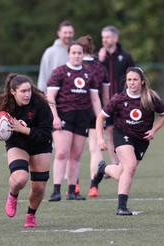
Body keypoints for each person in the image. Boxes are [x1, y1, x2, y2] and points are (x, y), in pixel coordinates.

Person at [93, 67, 164, 215]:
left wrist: (153, 130)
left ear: (142, 82)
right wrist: (100, 138)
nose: (132, 83)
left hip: (142, 139)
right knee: (131, 166)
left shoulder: (151, 98)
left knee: (122, 173)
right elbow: (101, 117)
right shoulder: (118, 99)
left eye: (135, 79)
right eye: (129, 80)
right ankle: (121, 207)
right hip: (122, 134)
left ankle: (103, 168)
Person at [0, 73, 53, 228]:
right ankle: (13, 195)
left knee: (39, 187)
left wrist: (23, 129)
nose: (27, 94)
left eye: (29, 90)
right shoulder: (6, 104)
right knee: (20, 178)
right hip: (18, 144)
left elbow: (46, 134)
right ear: (13, 92)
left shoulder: (40, 104)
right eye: (23, 91)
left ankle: (30, 215)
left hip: (40, 144)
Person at [46, 41, 102, 202]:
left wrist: (100, 120)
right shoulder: (60, 72)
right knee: (62, 152)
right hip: (64, 117)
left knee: (76, 156)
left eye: (79, 53)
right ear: (68, 54)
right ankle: (56, 190)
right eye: (74, 52)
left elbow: (95, 100)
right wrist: (55, 117)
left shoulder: (88, 74)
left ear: (83, 54)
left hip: (82, 118)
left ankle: (72, 191)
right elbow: (50, 97)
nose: (77, 55)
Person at [76, 35, 110, 197]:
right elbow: (105, 96)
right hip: (96, 113)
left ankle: (74, 184)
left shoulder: (75, 65)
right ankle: (93, 186)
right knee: (95, 149)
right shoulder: (100, 67)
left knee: (73, 151)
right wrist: (105, 114)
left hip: (76, 112)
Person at [98, 25, 135, 167]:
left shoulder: (125, 57)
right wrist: (100, 61)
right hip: (107, 101)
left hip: (124, 101)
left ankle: (125, 161)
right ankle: (115, 163)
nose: (104, 40)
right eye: (103, 37)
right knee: (109, 130)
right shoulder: (98, 57)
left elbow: (134, 75)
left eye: (107, 37)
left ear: (115, 38)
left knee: (126, 129)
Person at [37, 20, 75, 94]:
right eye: (65, 33)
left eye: (70, 33)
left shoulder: (78, 51)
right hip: (55, 96)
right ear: (59, 33)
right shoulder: (50, 52)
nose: (68, 35)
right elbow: (43, 76)